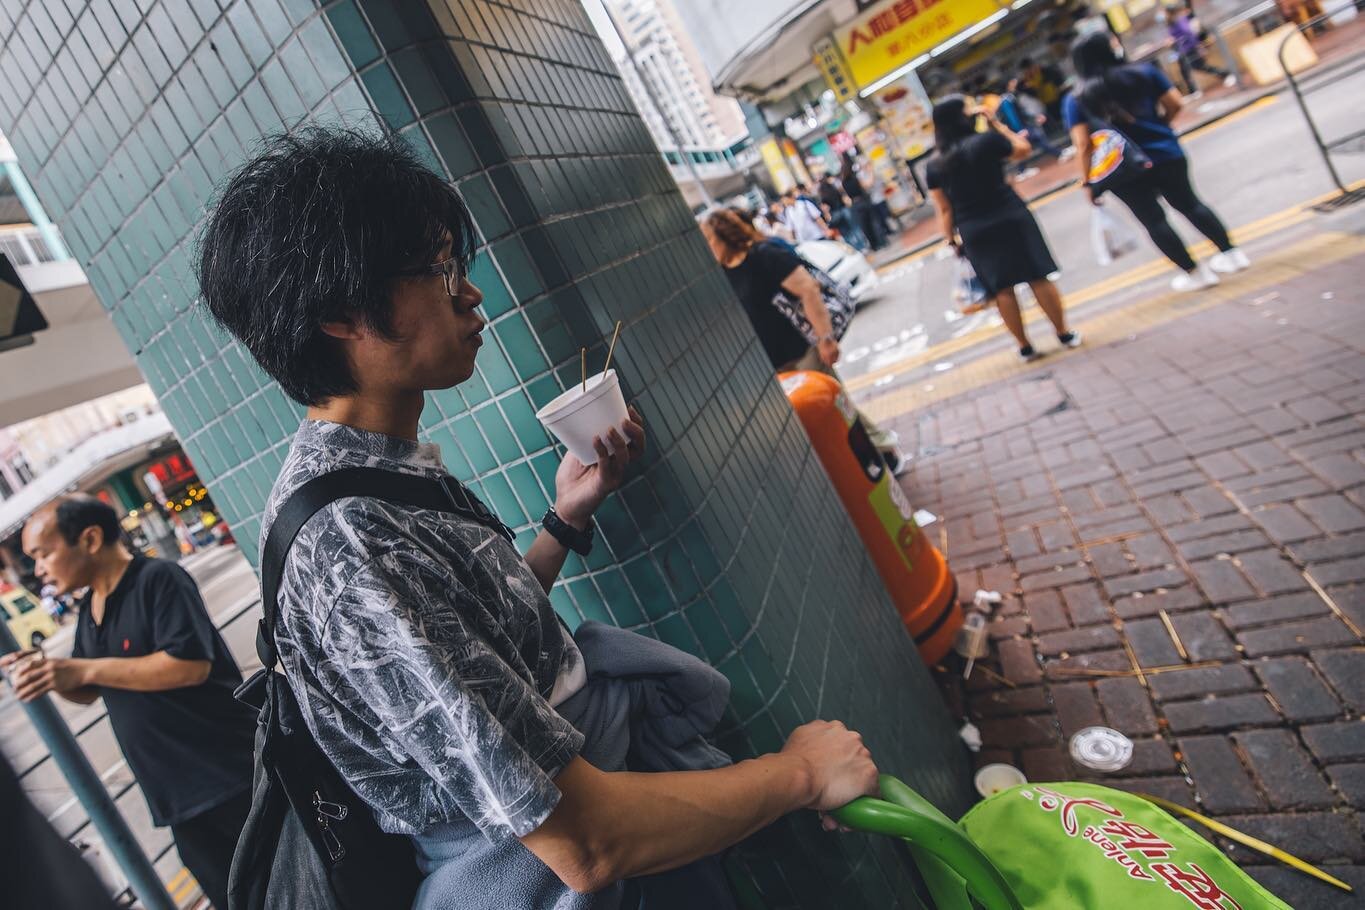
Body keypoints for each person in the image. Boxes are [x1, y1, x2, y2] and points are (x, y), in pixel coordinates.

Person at [196, 127, 879, 908]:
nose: (469, 291)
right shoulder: (352, 543)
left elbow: (475, 652)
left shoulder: (376, 470)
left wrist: (563, 520)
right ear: (342, 313)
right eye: (438, 268)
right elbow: (583, 842)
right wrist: (801, 774)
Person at [1, 495, 255, 910]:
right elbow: (88, 688)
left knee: (285, 889)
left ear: (90, 539)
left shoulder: (158, 579)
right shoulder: (90, 609)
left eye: (44, 554)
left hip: (230, 777)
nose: (39, 569)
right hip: (177, 799)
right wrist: (51, 672)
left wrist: (82, 670)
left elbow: (187, 666)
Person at [701, 208, 907, 471]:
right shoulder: (724, 273)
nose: (707, 248)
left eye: (709, 240)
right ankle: (859, 461)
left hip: (804, 351)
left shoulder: (764, 255)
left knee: (834, 406)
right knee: (816, 416)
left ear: (725, 234)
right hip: (776, 362)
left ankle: (884, 449)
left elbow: (809, 290)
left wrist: (826, 339)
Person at [1066, 31, 1249, 291]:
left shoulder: (1076, 99)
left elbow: (1083, 145)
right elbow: (1175, 103)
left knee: (1153, 221)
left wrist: (1087, 182)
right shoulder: (1144, 73)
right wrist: (1160, 125)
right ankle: (1232, 255)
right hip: (1165, 152)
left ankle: (1196, 274)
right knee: (1190, 204)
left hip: (1123, 169)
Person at [925, 96, 1080, 362]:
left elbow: (944, 209)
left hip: (973, 227)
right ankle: (1064, 333)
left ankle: (1024, 347)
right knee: (1037, 276)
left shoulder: (935, 164)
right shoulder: (986, 141)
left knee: (1001, 290)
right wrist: (995, 123)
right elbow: (1023, 149)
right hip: (1010, 214)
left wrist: (949, 239)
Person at [1166, 6, 1235, 95]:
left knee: (1199, 66)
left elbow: (1189, 34)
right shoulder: (1171, 23)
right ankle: (1193, 91)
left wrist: (1199, 47)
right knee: (1186, 70)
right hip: (1183, 51)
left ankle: (1226, 74)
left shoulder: (1180, 21)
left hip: (1190, 48)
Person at [841, 154, 885, 251]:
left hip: (856, 205)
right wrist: (871, 171)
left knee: (865, 226)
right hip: (864, 201)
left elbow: (846, 197)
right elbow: (867, 185)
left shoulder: (844, 182)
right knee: (873, 222)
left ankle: (874, 245)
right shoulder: (855, 178)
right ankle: (880, 242)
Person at [817, 174, 867, 249]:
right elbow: (842, 195)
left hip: (835, 213)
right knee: (854, 227)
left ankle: (854, 248)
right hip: (844, 209)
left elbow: (825, 207)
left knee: (845, 232)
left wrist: (828, 216)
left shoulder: (822, 194)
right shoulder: (833, 187)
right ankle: (863, 245)